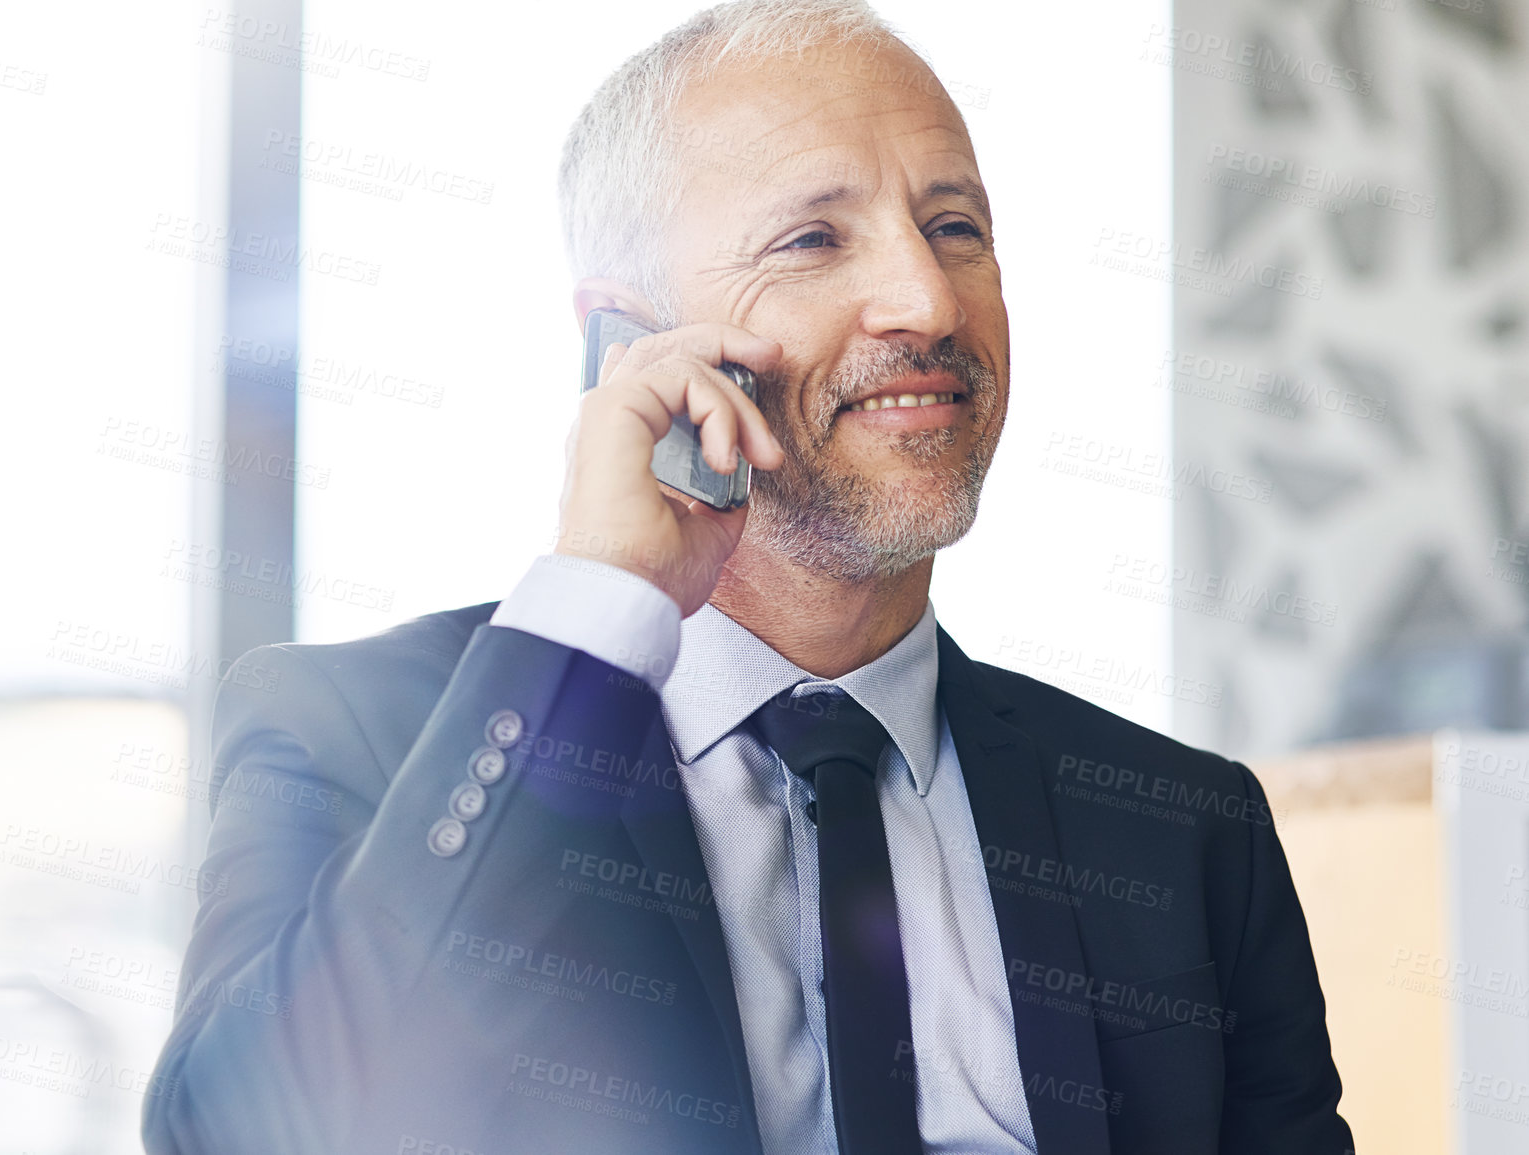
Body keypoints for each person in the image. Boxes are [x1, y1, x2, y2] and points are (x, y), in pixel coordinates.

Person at [143, 2, 1354, 1152]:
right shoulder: (364, 737)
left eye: (956, 228)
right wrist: (591, 610)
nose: (927, 300)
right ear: (626, 341)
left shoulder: (1185, 829)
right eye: (814, 239)